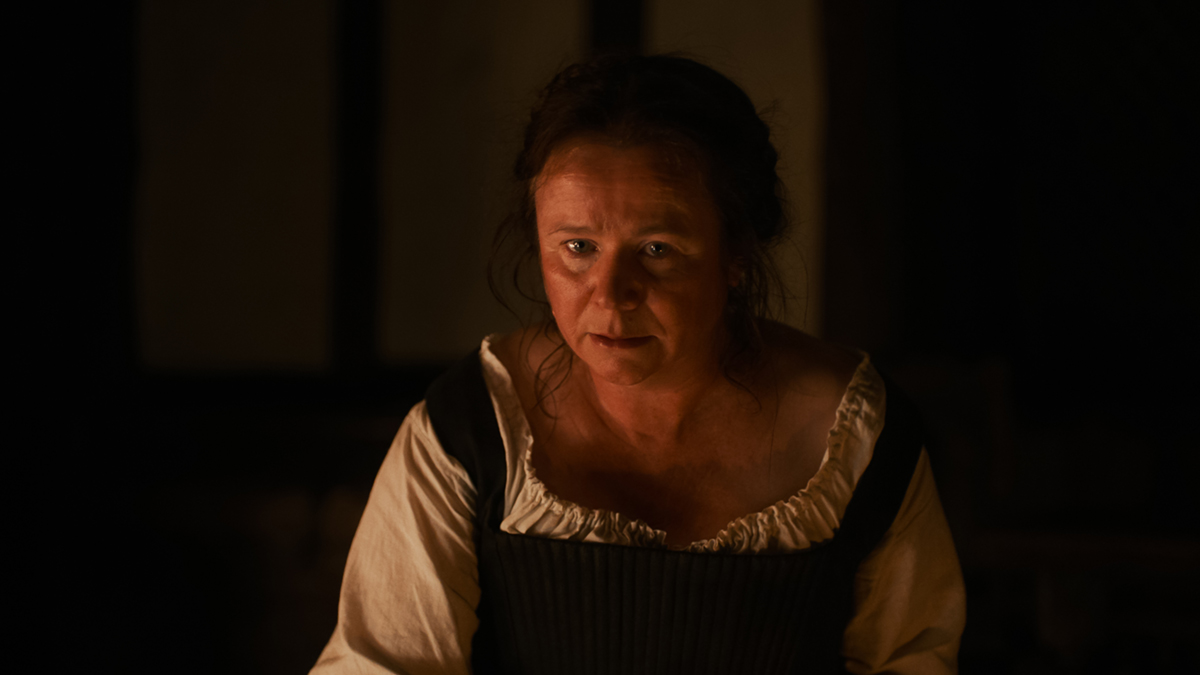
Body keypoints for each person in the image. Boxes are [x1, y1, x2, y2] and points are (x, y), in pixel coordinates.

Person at [311, 54, 965, 675]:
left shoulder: (857, 440)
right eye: (577, 247)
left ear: (735, 254)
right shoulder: (471, 432)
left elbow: (910, 657)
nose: (610, 294)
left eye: (657, 249)